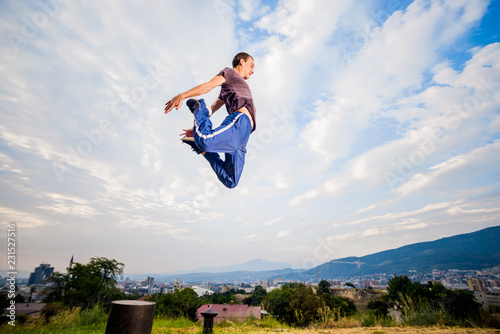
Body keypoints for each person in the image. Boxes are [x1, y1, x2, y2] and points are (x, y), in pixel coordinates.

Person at [164, 52, 256, 189]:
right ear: (242, 61)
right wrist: (183, 95)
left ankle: (202, 148)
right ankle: (198, 107)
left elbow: (213, 108)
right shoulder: (230, 73)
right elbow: (209, 86)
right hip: (240, 122)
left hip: (243, 137)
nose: (253, 71)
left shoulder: (234, 86)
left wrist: (197, 129)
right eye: (251, 65)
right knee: (205, 140)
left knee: (231, 181)